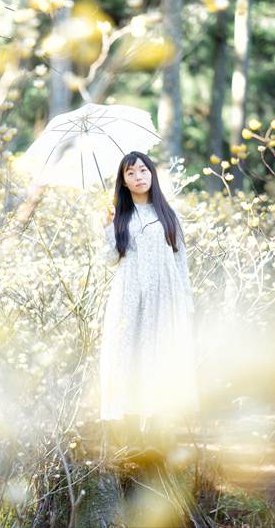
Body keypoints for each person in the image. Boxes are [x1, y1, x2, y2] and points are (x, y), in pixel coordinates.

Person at [98, 151, 199, 452]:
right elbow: (110, 260)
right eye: (131, 173)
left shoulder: (168, 214)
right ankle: (130, 439)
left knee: (161, 357)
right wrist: (106, 228)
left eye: (143, 170)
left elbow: (181, 260)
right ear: (124, 181)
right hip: (129, 295)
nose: (138, 176)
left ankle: (158, 436)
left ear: (152, 175)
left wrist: (186, 302)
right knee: (129, 356)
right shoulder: (120, 217)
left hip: (165, 296)